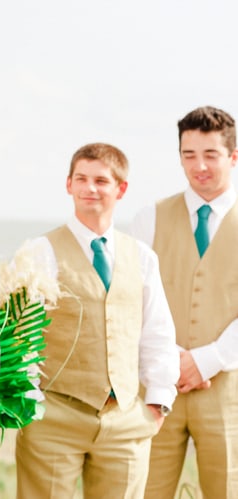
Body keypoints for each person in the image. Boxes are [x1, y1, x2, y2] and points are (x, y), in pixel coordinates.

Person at [14, 143, 180, 498]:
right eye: (82, 179)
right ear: (68, 185)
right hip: (53, 416)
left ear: (121, 189)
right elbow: (20, 336)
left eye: (101, 180)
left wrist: (157, 402)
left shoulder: (142, 258)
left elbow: (157, 333)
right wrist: (29, 401)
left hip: (125, 418)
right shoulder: (40, 252)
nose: (90, 188)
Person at [129, 106, 238, 498]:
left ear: (233, 156)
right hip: (158, 386)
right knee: (145, 491)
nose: (199, 166)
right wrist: (172, 360)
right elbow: (132, 297)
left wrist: (206, 359)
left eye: (210, 155)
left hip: (229, 391)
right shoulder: (149, 218)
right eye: (189, 155)